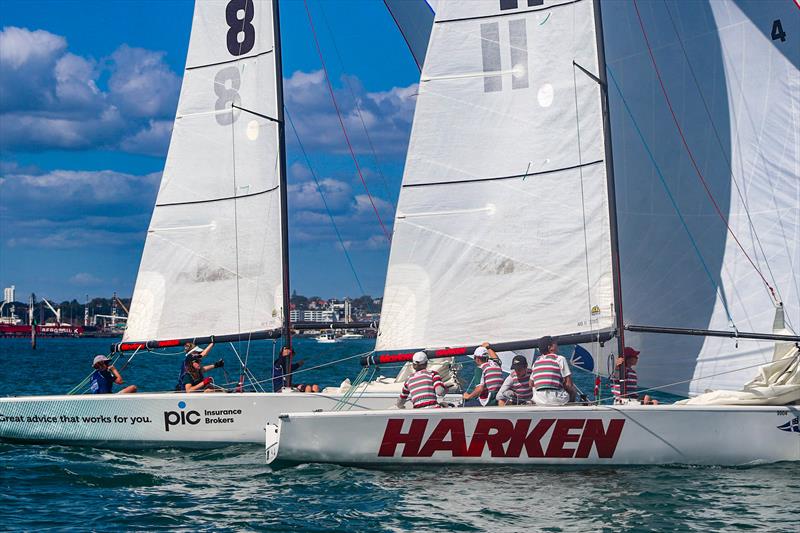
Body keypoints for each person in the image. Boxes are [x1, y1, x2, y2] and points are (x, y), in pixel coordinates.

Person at [531, 336, 577, 406]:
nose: (557, 345)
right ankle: (570, 409)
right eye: (555, 343)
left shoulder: (536, 362)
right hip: (555, 399)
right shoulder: (560, 359)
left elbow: (531, 383)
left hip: (538, 399)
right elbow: (568, 384)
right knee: (573, 391)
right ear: (550, 347)